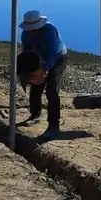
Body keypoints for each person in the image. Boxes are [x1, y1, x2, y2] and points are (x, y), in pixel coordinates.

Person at [18, 9, 67, 140]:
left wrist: (44, 69)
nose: (32, 30)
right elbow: (27, 53)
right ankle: (35, 115)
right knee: (35, 87)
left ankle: (54, 126)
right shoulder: (25, 35)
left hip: (58, 59)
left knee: (52, 90)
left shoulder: (50, 31)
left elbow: (52, 53)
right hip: (39, 58)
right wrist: (30, 72)